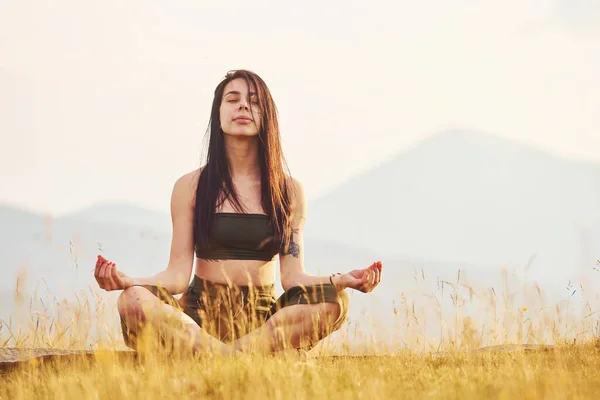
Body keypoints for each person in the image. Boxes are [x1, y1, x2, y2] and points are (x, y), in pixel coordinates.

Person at [93, 69, 382, 357]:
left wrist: (340, 281)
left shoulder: (289, 190)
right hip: (196, 319)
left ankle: (220, 357)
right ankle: (234, 357)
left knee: (336, 301)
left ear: (267, 115)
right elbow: (177, 275)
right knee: (131, 300)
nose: (244, 105)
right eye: (233, 99)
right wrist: (128, 282)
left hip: (264, 322)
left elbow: (293, 278)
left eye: (254, 101)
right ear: (217, 114)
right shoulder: (191, 186)